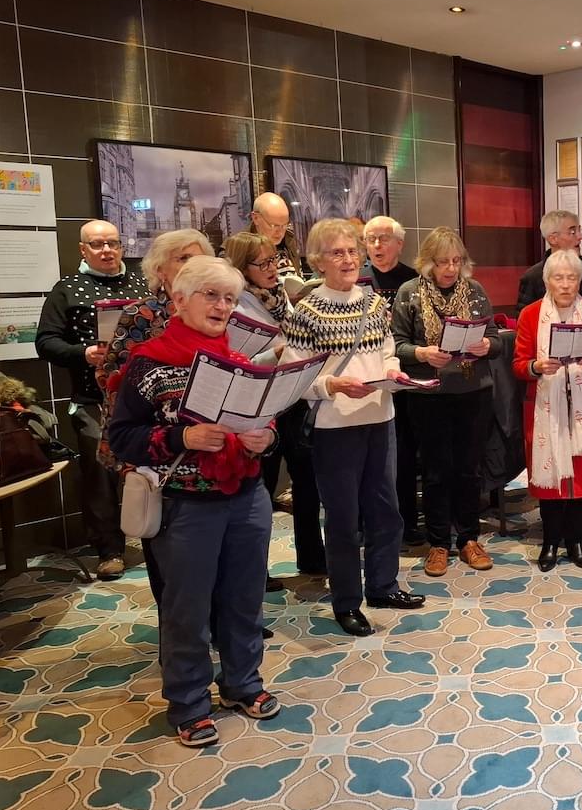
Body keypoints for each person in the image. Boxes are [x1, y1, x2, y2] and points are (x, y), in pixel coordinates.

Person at [108, 256, 279, 747]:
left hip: (247, 495)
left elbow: (264, 420)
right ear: (179, 300)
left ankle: (242, 683)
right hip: (185, 505)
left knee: (245, 598)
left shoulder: (242, 360)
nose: (222, 306)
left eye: (229, 297)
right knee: (188, 607)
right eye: (210, 294)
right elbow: (122, 436)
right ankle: (188, 702)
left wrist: (265, 438)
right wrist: (183, 437)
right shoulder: (149, 360)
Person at [281, 218, 425, 636]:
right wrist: (331, 384)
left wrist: (394, 372)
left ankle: (383, 585)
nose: (347, 259)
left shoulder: (375, 304)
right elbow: (294, 375)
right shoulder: (306, 312)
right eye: (336, 253)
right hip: (333, 426)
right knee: (343, 520)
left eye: (351, 251)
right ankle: (347, 601)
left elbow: (386, 352)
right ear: (317, 261)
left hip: (381, 419)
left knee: (387, 511)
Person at [96, 228, 214, 597]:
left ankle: (224, 618)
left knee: (220, 551)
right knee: (172, 560)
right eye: (182, 259)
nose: (191, 266)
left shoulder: (217, 312)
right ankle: (177, 631)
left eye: (198, 259)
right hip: (159, 452)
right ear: (161, 271)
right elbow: (113, 379)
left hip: (211, 447)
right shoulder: (141, 315)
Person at [36, 220, 148, 580]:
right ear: (82, 250)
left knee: (145, 467)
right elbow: (45, 342)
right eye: (97, 244)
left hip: (142, 393)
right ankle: (109, 548)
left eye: (113, 243)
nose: (106, 250)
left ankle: (152, 535)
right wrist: (83, 353)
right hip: (92, 397)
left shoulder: (141, 283)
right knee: (98, 473)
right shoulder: (66, 289)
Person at [393, 227, 502, 576]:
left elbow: (495, 338)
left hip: (473, 392)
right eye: (443, 262)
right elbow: (395, 346)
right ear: (427, 262)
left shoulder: (475, 291)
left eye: (456, 261)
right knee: (437, 470)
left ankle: (469, 537)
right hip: (429, 394)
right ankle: (438, 542)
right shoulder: (410, 293)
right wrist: (422, 353)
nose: (451, 269)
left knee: (470, 468)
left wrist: (487, 346)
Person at [223, 231, 326, 579]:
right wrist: (275, 353)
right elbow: (235, 361)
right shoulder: (233, 303)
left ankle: (312, 555)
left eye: (275, 260)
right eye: (264, 263)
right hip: (258, 405)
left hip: (292, 398)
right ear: (241, 266)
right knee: (262, 489)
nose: (273, 268)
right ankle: (257, 569)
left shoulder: (281, 295)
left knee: (307, 481)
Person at [513, 249, 582, 571]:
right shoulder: (530, 315)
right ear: (547, 281)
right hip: (545, 407)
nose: (566, 284)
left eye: (572, 278)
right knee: (551, 478)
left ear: (580, 281)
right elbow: (518, 365)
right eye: (559, 278)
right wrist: (536, 366)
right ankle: (550, 542)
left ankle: (577, 541)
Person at [363, 215, 421, 542]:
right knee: (367, 458)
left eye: (384, 238)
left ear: (399, 243)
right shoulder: (357, 279)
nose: (376, 245)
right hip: (364, 380)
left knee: (404, 455)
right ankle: (368, 524)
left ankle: (408, 523)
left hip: (404, 378)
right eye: (371, 239)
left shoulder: (412, 280)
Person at [516, 210, 582, 313]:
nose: (580, 237)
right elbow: (523, 320)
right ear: (553, 239)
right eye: (572, 232)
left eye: (579, 231)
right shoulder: (533, 276)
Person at [250, 192, 302, 278]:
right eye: (274, 226)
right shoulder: (239, 249)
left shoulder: (289, 239)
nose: (280, 232)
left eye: (285, 225)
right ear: (256, 218)